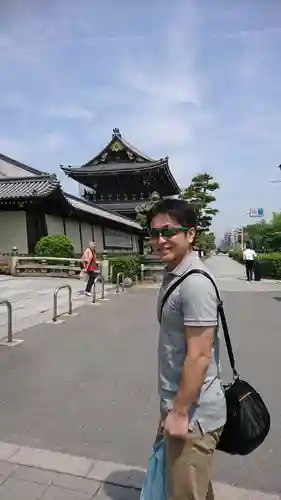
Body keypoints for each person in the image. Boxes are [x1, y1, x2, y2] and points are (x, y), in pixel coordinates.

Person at [147, 198, 226, 500]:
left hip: (194, 415)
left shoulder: (195, 283)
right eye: (154, 234)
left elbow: (200, 354)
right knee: (192, 489)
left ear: (190, 234)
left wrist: (179, 412)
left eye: (168, 232)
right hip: (178, 404)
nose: (160, 240)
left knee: (185, 492)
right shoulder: (175, 273)